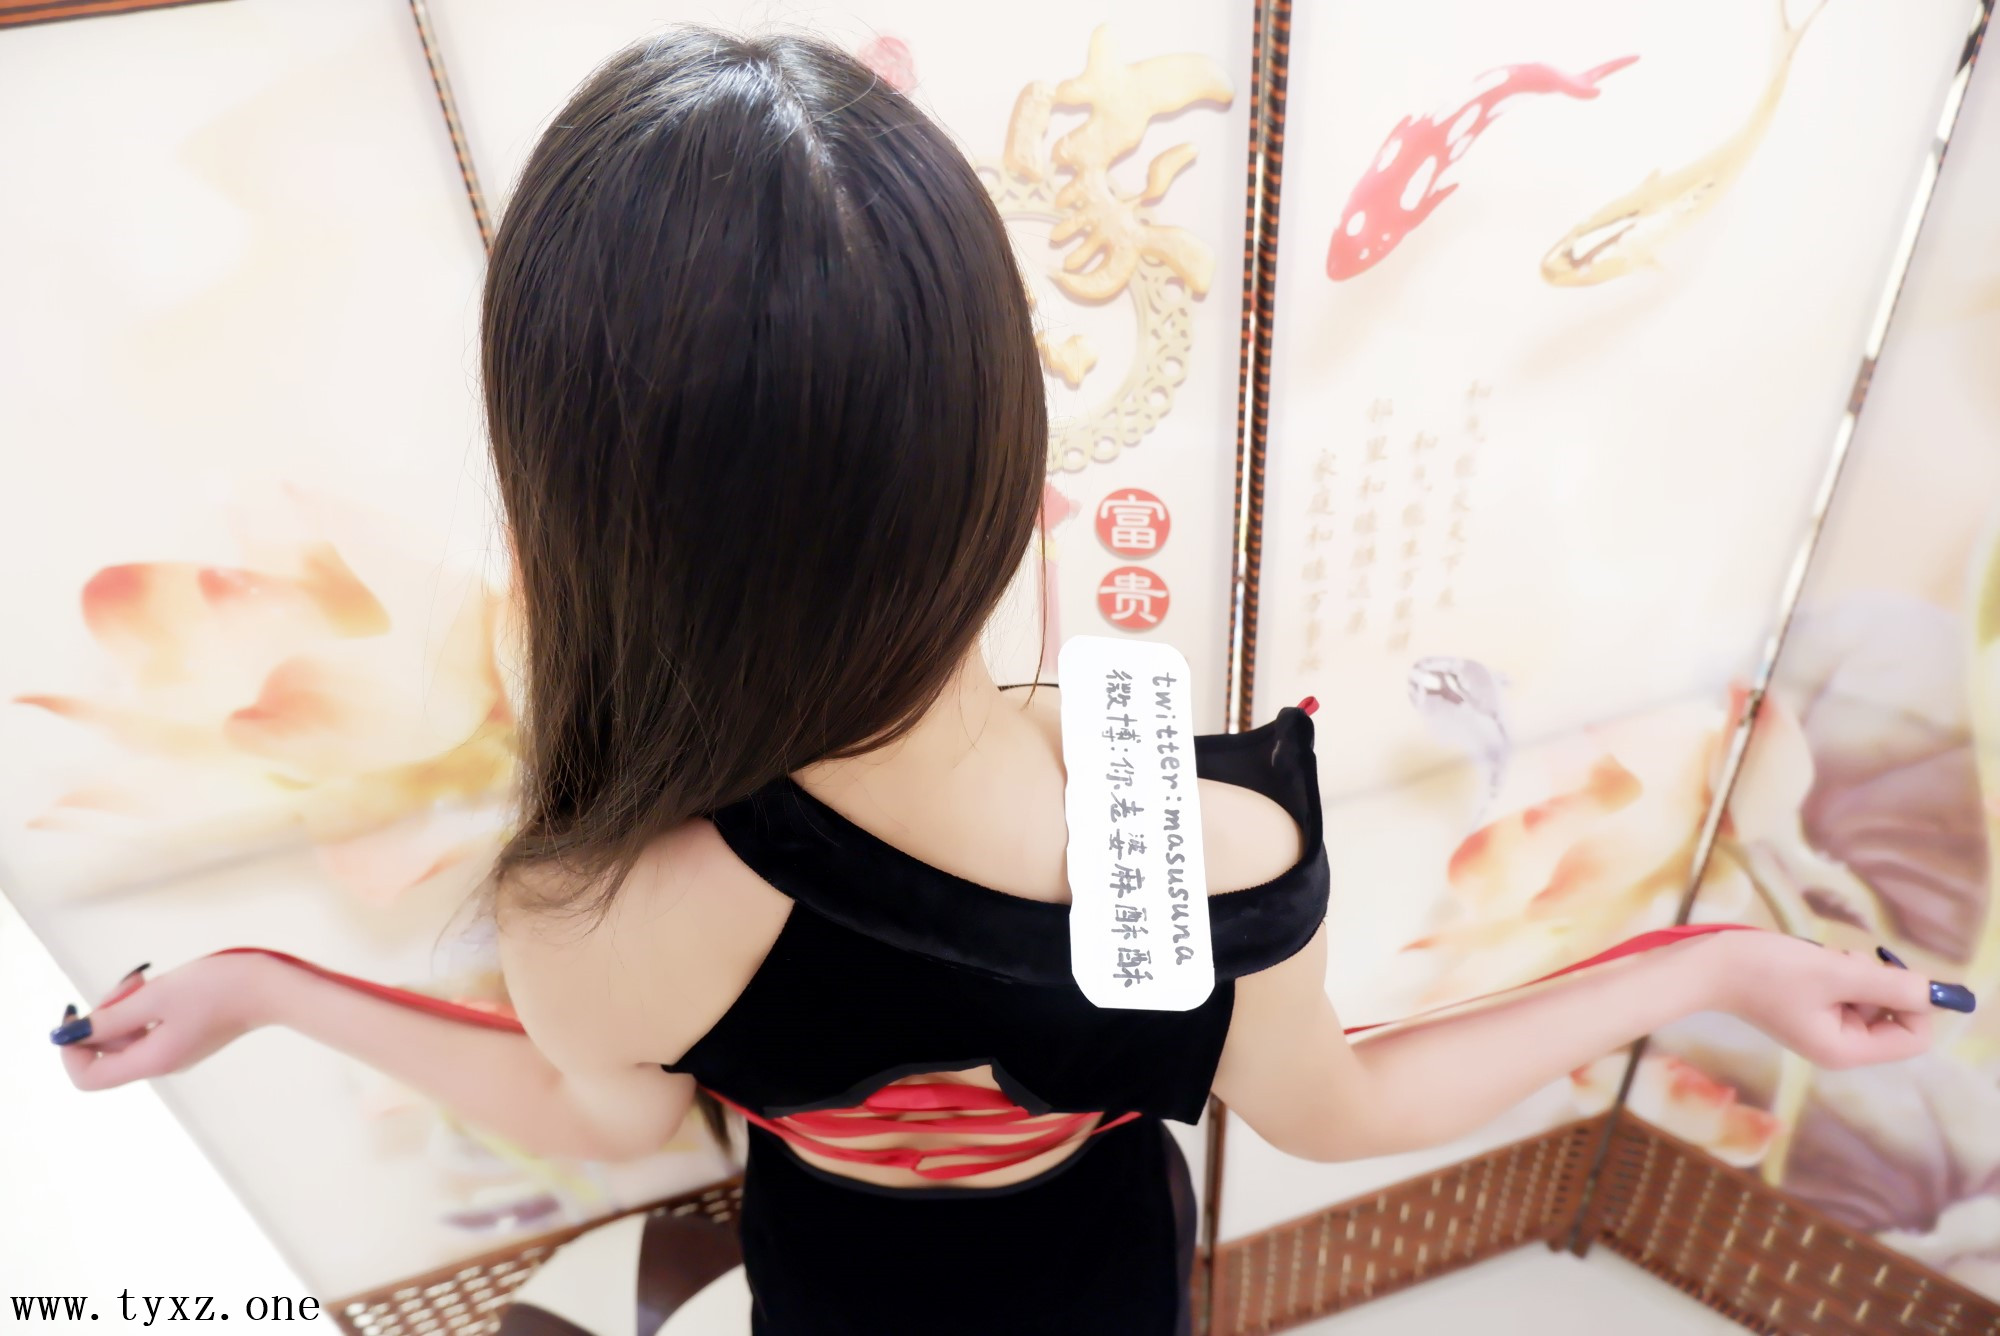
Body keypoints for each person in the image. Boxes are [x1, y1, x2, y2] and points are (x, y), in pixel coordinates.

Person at [49, 28, 1967, 1336]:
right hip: (1104, 1286)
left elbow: (613, 1128)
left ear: (580, 518)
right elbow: (1340, 1114)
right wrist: (1708, 968)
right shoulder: (1215, 842)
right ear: (999, 463)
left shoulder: (596, 905)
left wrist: (273, 991)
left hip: (833, 1291)